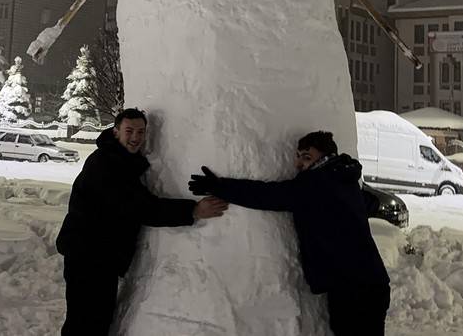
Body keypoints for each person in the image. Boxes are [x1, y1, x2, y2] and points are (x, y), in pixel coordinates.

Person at [189, 130, 390, 336]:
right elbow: (369, 203)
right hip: (368, 282)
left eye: (307, 157)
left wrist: (219, 186)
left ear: (326, 158)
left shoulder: (316, 185)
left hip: (354, 290)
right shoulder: (344, 179)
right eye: (298, 156)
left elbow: (268, 195)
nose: (298, 164)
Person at [56, 108, 228, 335]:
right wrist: (194, 209)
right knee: (86, 324)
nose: (136, 137)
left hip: (97, 256)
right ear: (116, 132)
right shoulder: (105, 165)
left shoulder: (120, 160)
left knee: (92, 322)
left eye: (140, 131)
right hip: (88, 257)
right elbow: (140, 207)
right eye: (129, 131)